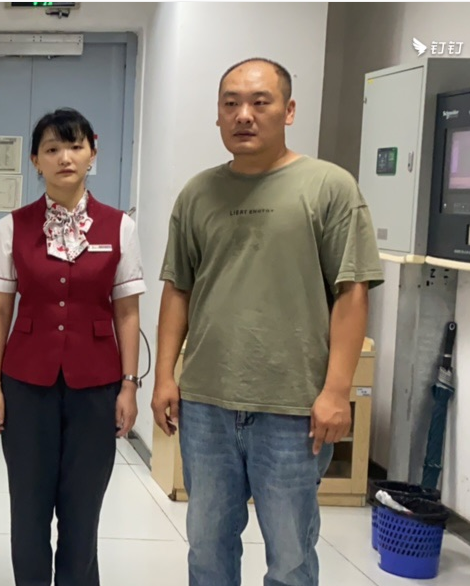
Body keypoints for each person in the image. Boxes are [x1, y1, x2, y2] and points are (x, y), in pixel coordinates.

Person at [151, 58, 384, 586]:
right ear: (217, 115)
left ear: (289, 110)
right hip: (207, 403)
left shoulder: (329, 187)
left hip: (293, 407)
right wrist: (165, 376)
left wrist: (337, 391)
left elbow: (352, 293)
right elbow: (178, 289)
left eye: (260, 102)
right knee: (207, 547)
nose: (244, 115)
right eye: (231, 103)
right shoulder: (197, 194)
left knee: (291, 556)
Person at [0, 108, 145, 586]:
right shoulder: (13, 226)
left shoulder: (119, 226)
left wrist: (129, 386)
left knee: (83, 507)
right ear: (36, 160)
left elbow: (127, 312)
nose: (65, 158)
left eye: (75, 146)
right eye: (52, 149)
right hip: (26, 382)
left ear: (93, 152)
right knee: (28, 507)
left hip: (96, 384)